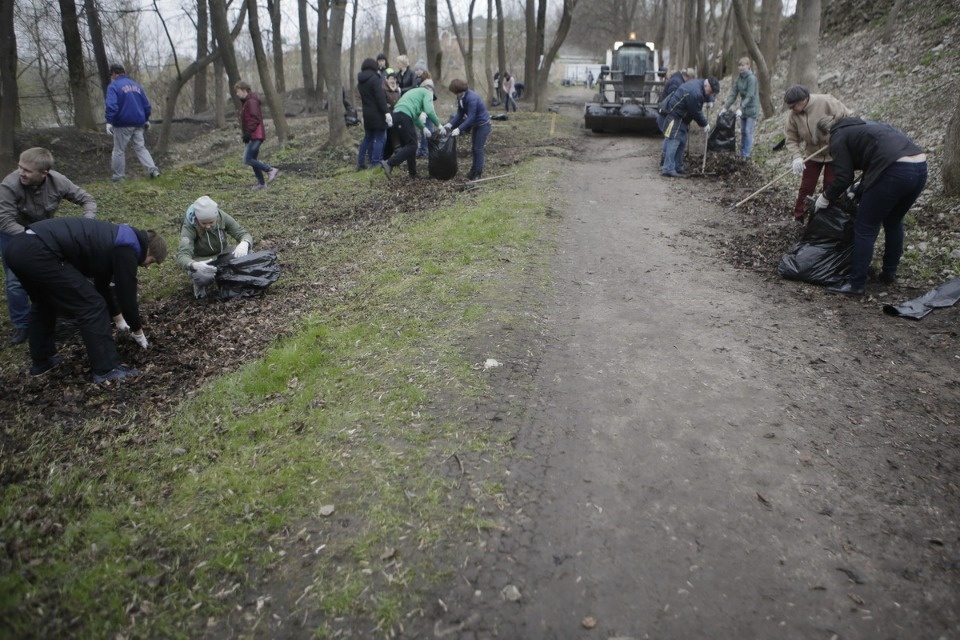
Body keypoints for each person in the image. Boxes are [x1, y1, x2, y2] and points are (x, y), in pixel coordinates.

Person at [4, 217, 166, 383]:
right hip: (40, 251)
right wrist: (138, 332)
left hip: (19, 248)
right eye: (151, 261)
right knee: (92, 306)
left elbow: (103, 287)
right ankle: (106, 369)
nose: (146, 266)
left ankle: (42, 362)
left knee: (44, 303)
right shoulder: (128, 248)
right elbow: (127, 298)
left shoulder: (113, 239)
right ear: (147, 250)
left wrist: (119, 321)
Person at [813, 117, 927, 296]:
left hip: (894, 171)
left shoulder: (837, 135)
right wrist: (859, 189)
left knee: (865, 226)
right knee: (894, 221)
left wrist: (825, 197)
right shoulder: (865, 125)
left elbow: (844, 177)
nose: (828, 146)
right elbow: (876, 159)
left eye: (825, 142)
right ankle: (889, 273)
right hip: (920, 167)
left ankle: (856, 284)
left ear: (827, 133)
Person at [0, 147, 97, 345]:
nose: (21, 172)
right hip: (12, 233)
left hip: (43, 232)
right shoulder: (9, 185)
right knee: (15, 281)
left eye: (27, 170)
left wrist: (86, 223)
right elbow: (4, 219)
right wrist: (33, 237)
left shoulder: (58, 181)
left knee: (51, 273)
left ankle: (54, 314)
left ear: (44, 173)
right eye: (20, 167)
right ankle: (22, 323)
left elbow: (87, 200)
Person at [784, 85, 852, 223]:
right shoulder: (793, 115)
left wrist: (834, 129)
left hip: (834, 152)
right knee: (806, 187)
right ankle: (799, 217)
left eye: (793, 106)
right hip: (812, 153)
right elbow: (791, 138)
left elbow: (847, 116)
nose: (792, 109)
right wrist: (796, 156)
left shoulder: (826, 101)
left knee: (830, 185)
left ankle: (826, 218)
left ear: (803, 100)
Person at [176, 195, 254, 300]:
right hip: (203, 261)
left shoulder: (222, 217)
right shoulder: (189, 226)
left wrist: (245, 242)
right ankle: (200, 286)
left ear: (216, 217)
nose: (208, 226)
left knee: (248, 254)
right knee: (203, 276)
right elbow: (182, 255)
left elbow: (242, 232)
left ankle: (231, 280)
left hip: (222, 254)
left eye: (211, 222)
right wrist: (193, 264)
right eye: (203, 223)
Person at [105, 63, 160, 182]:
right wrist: (146, 119)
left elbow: (112, 105)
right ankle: (153, 170)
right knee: (140, 148)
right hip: (139, 122)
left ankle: (118, 176)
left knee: (119, 150)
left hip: (122, 123)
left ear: (114, 73)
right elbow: (146, 105)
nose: (112, 77)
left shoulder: (113, 86)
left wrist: (109, 121)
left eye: (112, 75)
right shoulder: (137, 86)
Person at [658, 77, 718, 178]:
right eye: (711, 92)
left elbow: (705, 93)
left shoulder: (701, 84)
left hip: (682, 117)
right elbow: (696, 112)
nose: (710, 94)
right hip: (675, 115)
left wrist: (710, 100)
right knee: (674, 140)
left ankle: (678, 166)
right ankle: (668, 168)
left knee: (682, 140)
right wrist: (705, 124)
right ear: (707, 86)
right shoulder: (695, 93)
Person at [380, 81, 441, 181]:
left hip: (397, 115)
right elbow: (429, 111)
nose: (431, 100)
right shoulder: (427, 92)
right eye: (432, 99)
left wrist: (423, 128)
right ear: (431, 90)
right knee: (413, 145)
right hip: (403, 116)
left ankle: (413, 174)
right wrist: (439, 125)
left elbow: (415, 117)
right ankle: (389, 163)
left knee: (409, 145)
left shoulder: (415, 93)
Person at [235, 81, 280, 191]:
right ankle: (262, 184)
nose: (237, 94)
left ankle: (270, 170)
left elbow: (255, 118)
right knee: (253, 159)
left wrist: (248, 132)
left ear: (244, 89)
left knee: (247, 158)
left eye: (238, 91)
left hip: (256, 135)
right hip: (253, 135)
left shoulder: (251, 102)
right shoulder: (247, 102)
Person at [444, 79, 492, 181]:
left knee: (478, 149)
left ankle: (478, 173)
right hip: (476, 125)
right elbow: (460, 113)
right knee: (473, 148)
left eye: (455, 92)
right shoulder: (460, 97)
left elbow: (471, 118)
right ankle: (473, 170)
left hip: (483, 125)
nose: (455, 94)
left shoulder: (471, 98)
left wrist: (459, 129)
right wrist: (450, 124)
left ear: (459, 90)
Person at [719, 57, 760, 160]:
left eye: (743, 65)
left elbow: (750, 96)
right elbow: (733, 94)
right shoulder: (739, 78)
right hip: (743, 109)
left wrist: (741, 108)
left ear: (748, 66)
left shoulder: (752, 79)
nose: (741, 68)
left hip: (751, 108)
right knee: (742, 131)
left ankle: (746, 154)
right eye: (739, 65)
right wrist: (725, 107)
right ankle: (742, 153)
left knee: (748, 131)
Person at [356, 58, 392, 171]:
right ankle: (376, 163)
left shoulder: (360, 81)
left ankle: (361, 162)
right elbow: (380, 97)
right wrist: (386, 112)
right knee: (380, 138)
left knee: (367, 138)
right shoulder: (375, 79)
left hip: (366, 113)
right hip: (377, 113)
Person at [416, 71, 436, 158]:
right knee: (427, 131)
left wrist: (423, 112)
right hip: (429, 110)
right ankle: (425, 150)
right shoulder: (429, 83)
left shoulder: (426, 85)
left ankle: (425, 151)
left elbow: (425, 100)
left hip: (426, 111)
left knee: (426, 131)